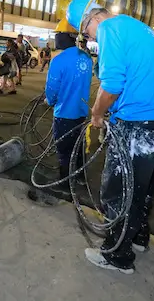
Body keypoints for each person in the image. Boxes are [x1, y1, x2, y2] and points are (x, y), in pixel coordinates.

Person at [65, 0, 154, 274]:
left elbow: (113, 83)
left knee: (118, 191)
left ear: (91, 20)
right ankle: (137, 237)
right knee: (142, 187)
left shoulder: (109, 30)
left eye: (85, 33)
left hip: (137, 122)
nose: (90, 40)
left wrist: (97, 114)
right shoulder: (133, 25)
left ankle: (118, 256)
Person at [44, 19, 92, 194]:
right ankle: (80, 177)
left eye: (58, 35)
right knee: (78, 146)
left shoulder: (58, 61)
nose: (56, 38)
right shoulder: (86, 59)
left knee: (64, 150)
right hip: (81, 112)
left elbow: (52, 90)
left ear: (66, 37)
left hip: (64, 113)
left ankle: (64, 183)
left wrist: (49, 101)